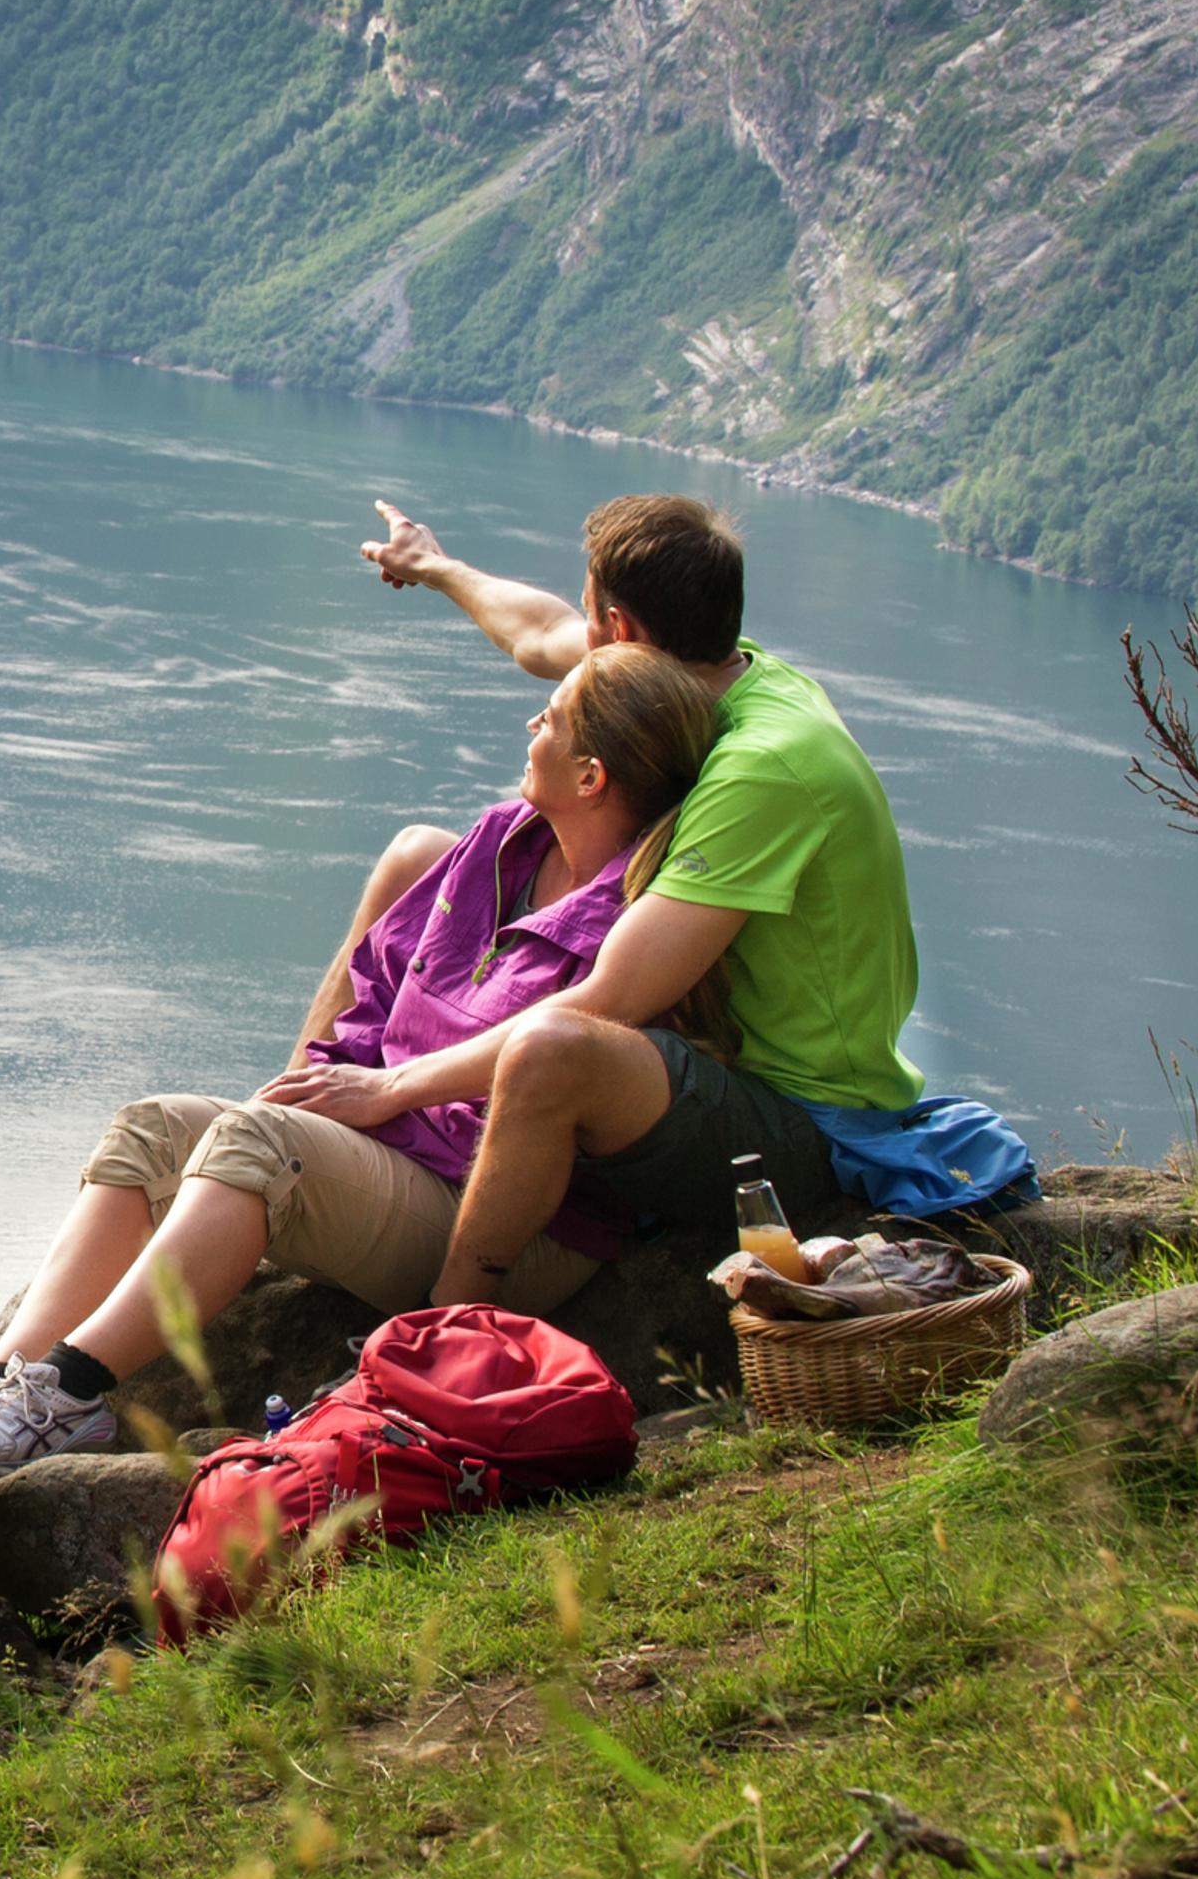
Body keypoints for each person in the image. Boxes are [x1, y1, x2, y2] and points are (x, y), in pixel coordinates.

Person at [0, 644, 726, 1477]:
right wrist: (317, 1092)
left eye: (555, 719)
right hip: (391, 1158)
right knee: (155, 1126)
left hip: (497, 1213)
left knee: (261, 1146)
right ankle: (4, 1381)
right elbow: (381, 991)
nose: (530, 723)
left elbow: (553, 1096)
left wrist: (320, 1123)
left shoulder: (634, 927)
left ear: (592, 778)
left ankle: (69, 1393)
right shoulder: (499, 845)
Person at [329, 492, 923, 1311]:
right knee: (420, 858)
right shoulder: (706, 671)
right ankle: (303, 1103)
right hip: (722, 1061)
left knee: (554, 1044)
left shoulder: (760, 765)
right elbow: (537, 634)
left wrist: (394, 1090)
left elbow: (610, 1001)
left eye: (590, 613)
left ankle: (450, 1321)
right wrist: (433, 566)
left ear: (623, 629)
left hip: (798, 1112)